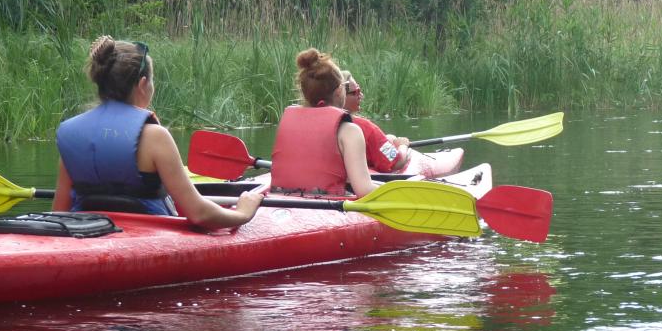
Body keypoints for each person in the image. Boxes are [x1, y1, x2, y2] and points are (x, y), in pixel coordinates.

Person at [52, 36, 264, 230]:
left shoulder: (74, 136)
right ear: (143, 85)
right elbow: (199, 214)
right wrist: (243, 213)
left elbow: (58, 214)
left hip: (85, 238)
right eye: (152, 81)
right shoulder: (155, 137)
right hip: (150, 239)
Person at [268, 49, 378, 197]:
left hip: (280, 202)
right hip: (328, 210)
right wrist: (392, 189)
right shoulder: (350, 131)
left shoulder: (287, 123)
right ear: (340, 90)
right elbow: (364, 190)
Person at [341, 70, 413, 173]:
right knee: (392, 139)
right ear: (340, 95)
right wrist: (403, 145)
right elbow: (397, 162)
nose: (361, 95)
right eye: (356, 92)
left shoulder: (323, 123)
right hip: (365, 182)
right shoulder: (366, 128)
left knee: (390, 138)